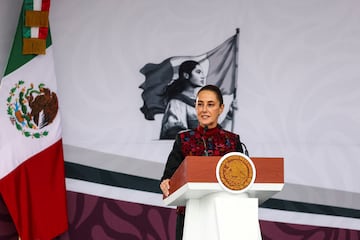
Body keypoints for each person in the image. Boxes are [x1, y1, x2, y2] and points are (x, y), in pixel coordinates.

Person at [159, 84, 244, 240]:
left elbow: (244, 180)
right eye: (200, 104)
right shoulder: (184, 140)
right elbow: (169, 177)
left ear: (221, 108)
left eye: (210, 104)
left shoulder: (232, 141)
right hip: (190, 215)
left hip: (225, 216)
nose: (204, 110)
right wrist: (166, 182)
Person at [160, 60, 205, 139]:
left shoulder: (200, 103)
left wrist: (229, 116)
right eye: (198, 72)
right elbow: (173, 131)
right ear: (186, 75)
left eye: (202, 72)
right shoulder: (177, 102)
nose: (203, 76)